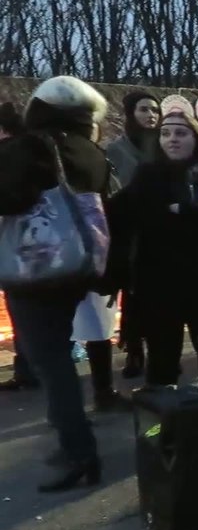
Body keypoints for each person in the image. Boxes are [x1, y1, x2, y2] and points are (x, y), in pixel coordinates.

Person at [0, 76, 111, 492]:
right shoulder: (90, 150)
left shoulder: (30, 148)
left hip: (35, 272)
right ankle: (70, 435)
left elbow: (8, 197)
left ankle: (79, 451)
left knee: (51, 362)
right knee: (56, 353)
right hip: (77, 268)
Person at [106, 111, 198, 403]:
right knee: (161, 358)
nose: (172, 139)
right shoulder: (148, 174)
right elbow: (118, 213)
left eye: (180, 133)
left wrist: (185, 210)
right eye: (166, 133)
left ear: (195, 137)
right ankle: (164, 428)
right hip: (159, 282)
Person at [104, 90, 161, 379]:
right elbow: (112, 190)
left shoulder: (165, 145)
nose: (151, 115)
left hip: (163, 229)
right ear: (130, 114)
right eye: (143, 110)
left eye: (154, 110)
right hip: (131, 231)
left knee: (161, 294)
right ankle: (135, 350)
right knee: (134, 294)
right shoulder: (115, 150)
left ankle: (162, 350)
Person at [0, 101, 39, 392]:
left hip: (19, 245)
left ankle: (29, 369)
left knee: (23, 309)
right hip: (30, 245)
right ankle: (28, 368)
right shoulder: (30, 150)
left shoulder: (11, 154)